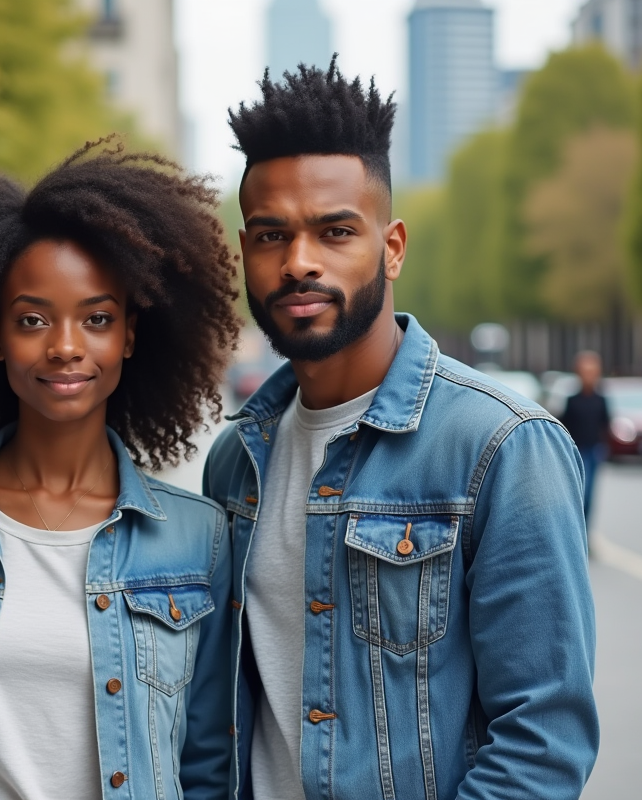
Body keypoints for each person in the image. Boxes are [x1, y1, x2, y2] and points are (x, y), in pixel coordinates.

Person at [203, 60, 599, 800]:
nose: (299, 263)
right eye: (270, 236)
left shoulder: (501, 447)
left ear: (392, 247)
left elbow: (543, 743)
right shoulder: (234, 465)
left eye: (335, 231)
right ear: (244, 254)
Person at [0, 139, 242, 800]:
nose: (66, 347)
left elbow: (208, 762)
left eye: (97, 319)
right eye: (32, 320)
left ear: (130, 334)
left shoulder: (200, 537)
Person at [560, 350, 610, 525]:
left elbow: (606, 424)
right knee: (578, 491)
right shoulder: (572, 400)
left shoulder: (601, 399)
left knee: (589, 494)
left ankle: (586, 530)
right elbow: (566, 425)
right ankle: (576, 527)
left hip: (594, 450)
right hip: (577, 449)